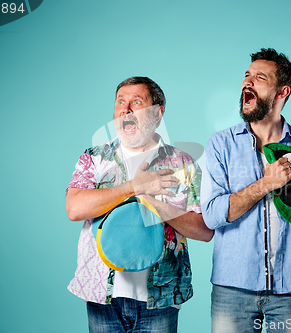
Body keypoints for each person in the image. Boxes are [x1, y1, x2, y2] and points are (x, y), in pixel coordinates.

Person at [201, 48, 291, 333]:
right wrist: (266, 184)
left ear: (282, 92)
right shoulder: (220, 145)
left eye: (259, 78)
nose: (247, 83)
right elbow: (212, 216)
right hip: (232, 291)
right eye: (246, 76)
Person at [66, 76, 213, 333]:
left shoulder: (182, 163)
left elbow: (204, 230)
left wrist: (154, 204)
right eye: (120, 102)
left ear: (157, 113)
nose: (126, 108)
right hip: (103, 296)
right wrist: (135, 187)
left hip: (160, 298)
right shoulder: (94, 158)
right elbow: (74, 209)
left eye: (137, 101)